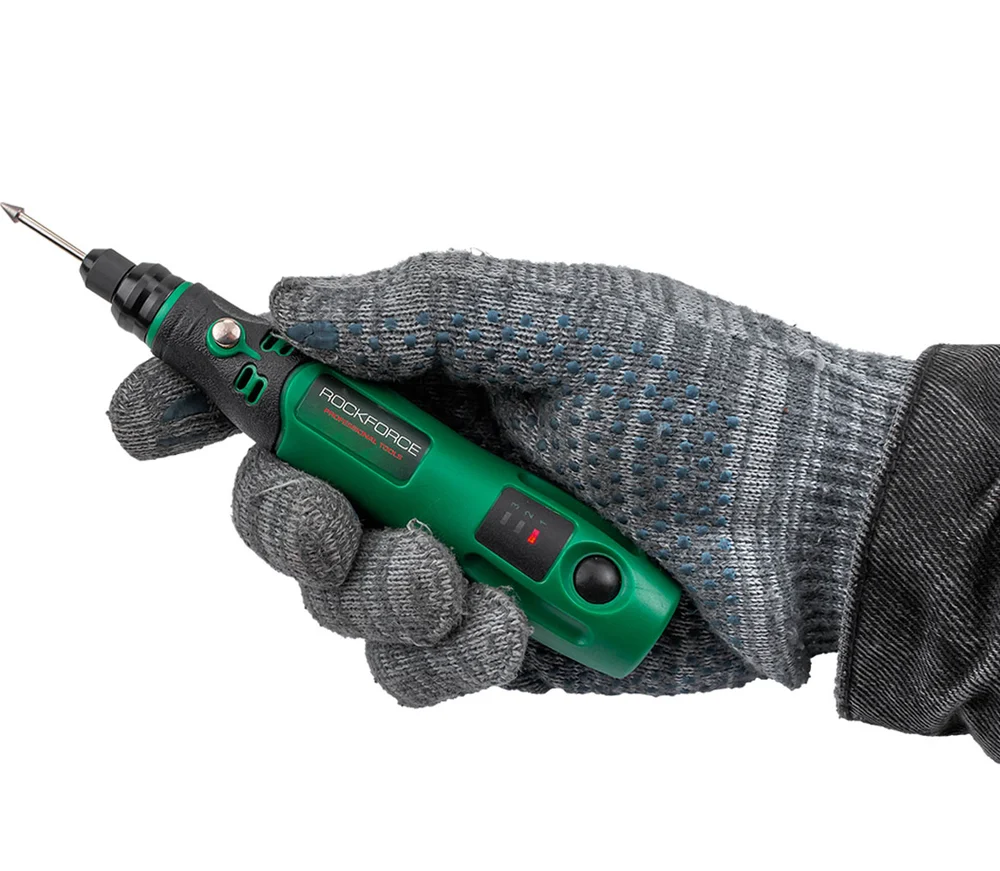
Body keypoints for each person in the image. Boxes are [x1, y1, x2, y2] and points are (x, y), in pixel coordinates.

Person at [107, 251, 1000, 762]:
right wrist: (861, 497)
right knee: (357, 540)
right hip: (623, 582)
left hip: (621, 585)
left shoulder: (274, 394)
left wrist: (831, 486)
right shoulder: (266, 390)